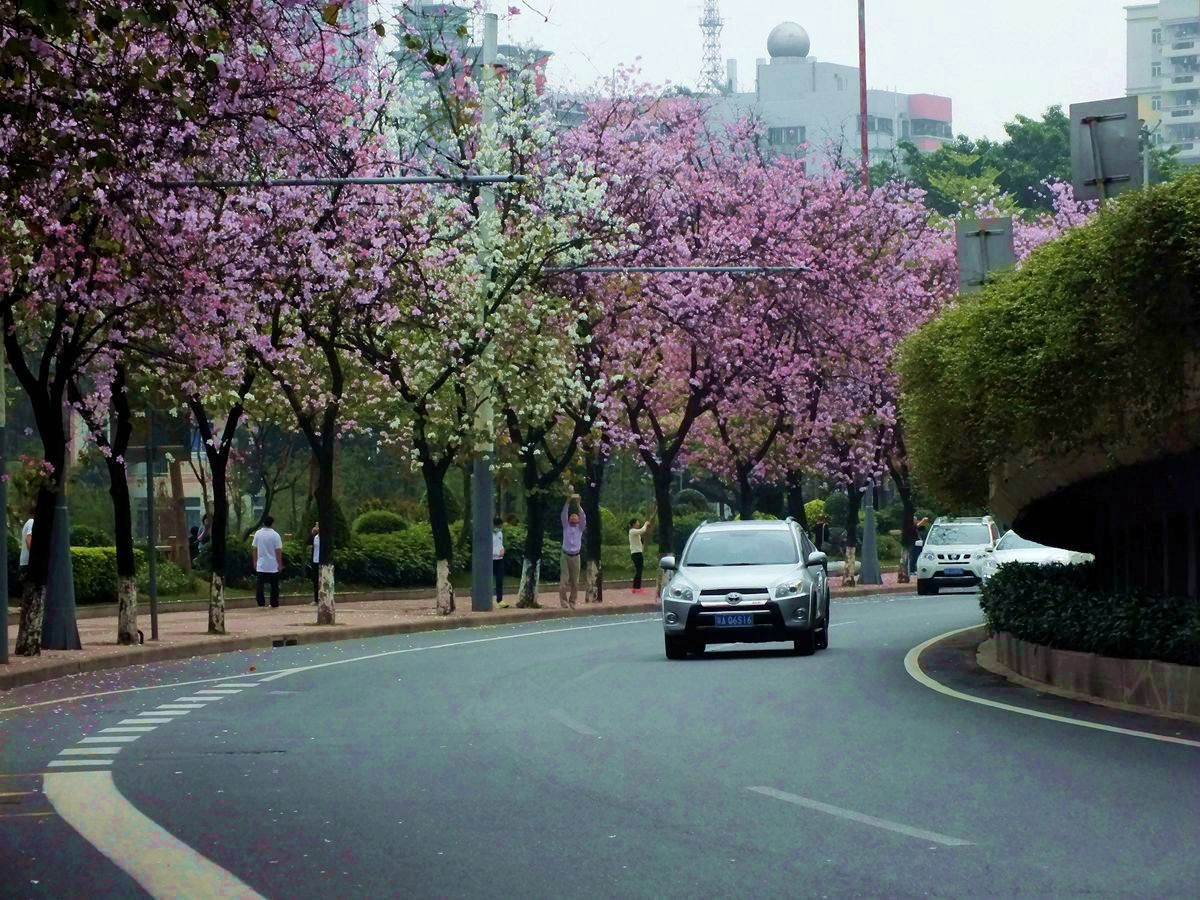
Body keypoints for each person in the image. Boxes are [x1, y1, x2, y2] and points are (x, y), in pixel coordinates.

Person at [559, 490, 586, 609]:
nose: (573, 516)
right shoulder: (566, 526)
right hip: (565, 556)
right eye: (572, 516)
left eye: (575, 516)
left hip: (576, 556)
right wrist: (568, 502)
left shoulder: (580, 528)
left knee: (575, 582)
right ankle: (563, 602)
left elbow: (583, 517)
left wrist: (579, 504)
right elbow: (563, 514)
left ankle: (572, 601)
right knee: (564, 581)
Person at [252, 515, 284, 608]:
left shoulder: (258, 534)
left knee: (260, 585)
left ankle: (260, 602)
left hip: (261, 564)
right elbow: (278, 551)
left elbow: (254, 548)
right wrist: (280, 564)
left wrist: (254, 561)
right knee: (274, 585)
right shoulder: (275, 535)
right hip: (273, 565)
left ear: (263, 522)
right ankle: (274, 602)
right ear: (272, 524)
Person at [627, 505, 656, 594]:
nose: (638, 523)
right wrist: (646, 524)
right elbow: (642, 530)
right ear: (633, 524)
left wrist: (648, 526)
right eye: (637, 522)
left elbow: (644, 532)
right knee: (639, 570)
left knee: (639, 570)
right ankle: (637, 588)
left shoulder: (636, 533)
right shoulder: (632, 531)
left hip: (638, 553)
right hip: (636, 553)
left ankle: (636, 588)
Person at [493, 518, 508, 609]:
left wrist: (502, 549)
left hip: (499, 559)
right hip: (491, 560)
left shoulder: (500, 533)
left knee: (499, 580)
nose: (500, 528)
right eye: (499, 526)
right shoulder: (488, 534)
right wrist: (496, 552)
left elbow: (500, 544)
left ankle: (500, 600)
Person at [306, 524, 320, 604]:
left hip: (323, 562)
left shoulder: (326, 538)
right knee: (315, 581)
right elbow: (307, 542)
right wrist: (312, 533)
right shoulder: (315, 537)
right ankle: (316, 599)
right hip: (315, 561)